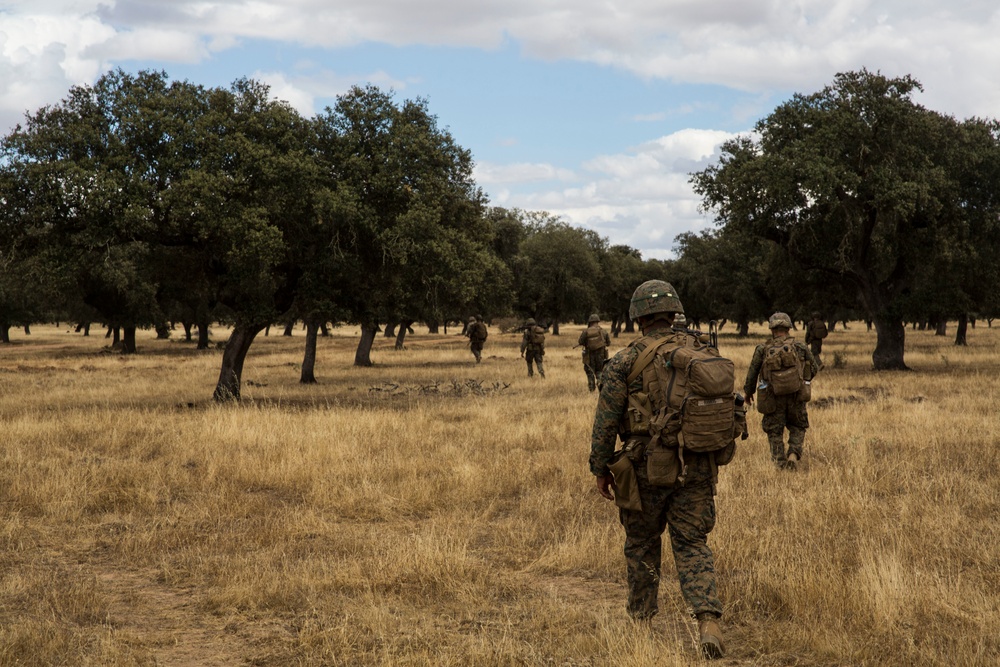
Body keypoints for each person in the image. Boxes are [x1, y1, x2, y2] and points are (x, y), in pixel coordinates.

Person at [589, 280, 726, 659]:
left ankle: (642, 623)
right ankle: (708, 621)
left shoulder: (623, 361)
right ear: (674, 312)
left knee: (642, 544)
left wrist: (600, 468)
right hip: (697, 465)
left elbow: (605, 423)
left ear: (638, 317)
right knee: (693, 544)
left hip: (644, 466)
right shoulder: (702, 351)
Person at [744, 312, 820, 470]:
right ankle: (793, 454)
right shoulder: (799, 347)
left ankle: (779, 463)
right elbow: (813, 368)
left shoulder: (763, 349)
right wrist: (800, 381)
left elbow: (752, 373)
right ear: (789, 328)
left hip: (772, 397)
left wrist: (748, 392)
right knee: (798, 426)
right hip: (796, 396)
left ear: (772, 329)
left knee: (774, 430)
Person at [578, 314, 610, 391]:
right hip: (601, 356)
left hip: (589, 355)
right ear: (598, 321)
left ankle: (591, 389)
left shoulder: (586, 331)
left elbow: (580, 341)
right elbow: (608, 343)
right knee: (599, 371)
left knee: (590, 372)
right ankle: (600, 385)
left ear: (590, 322)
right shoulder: (603, 331)